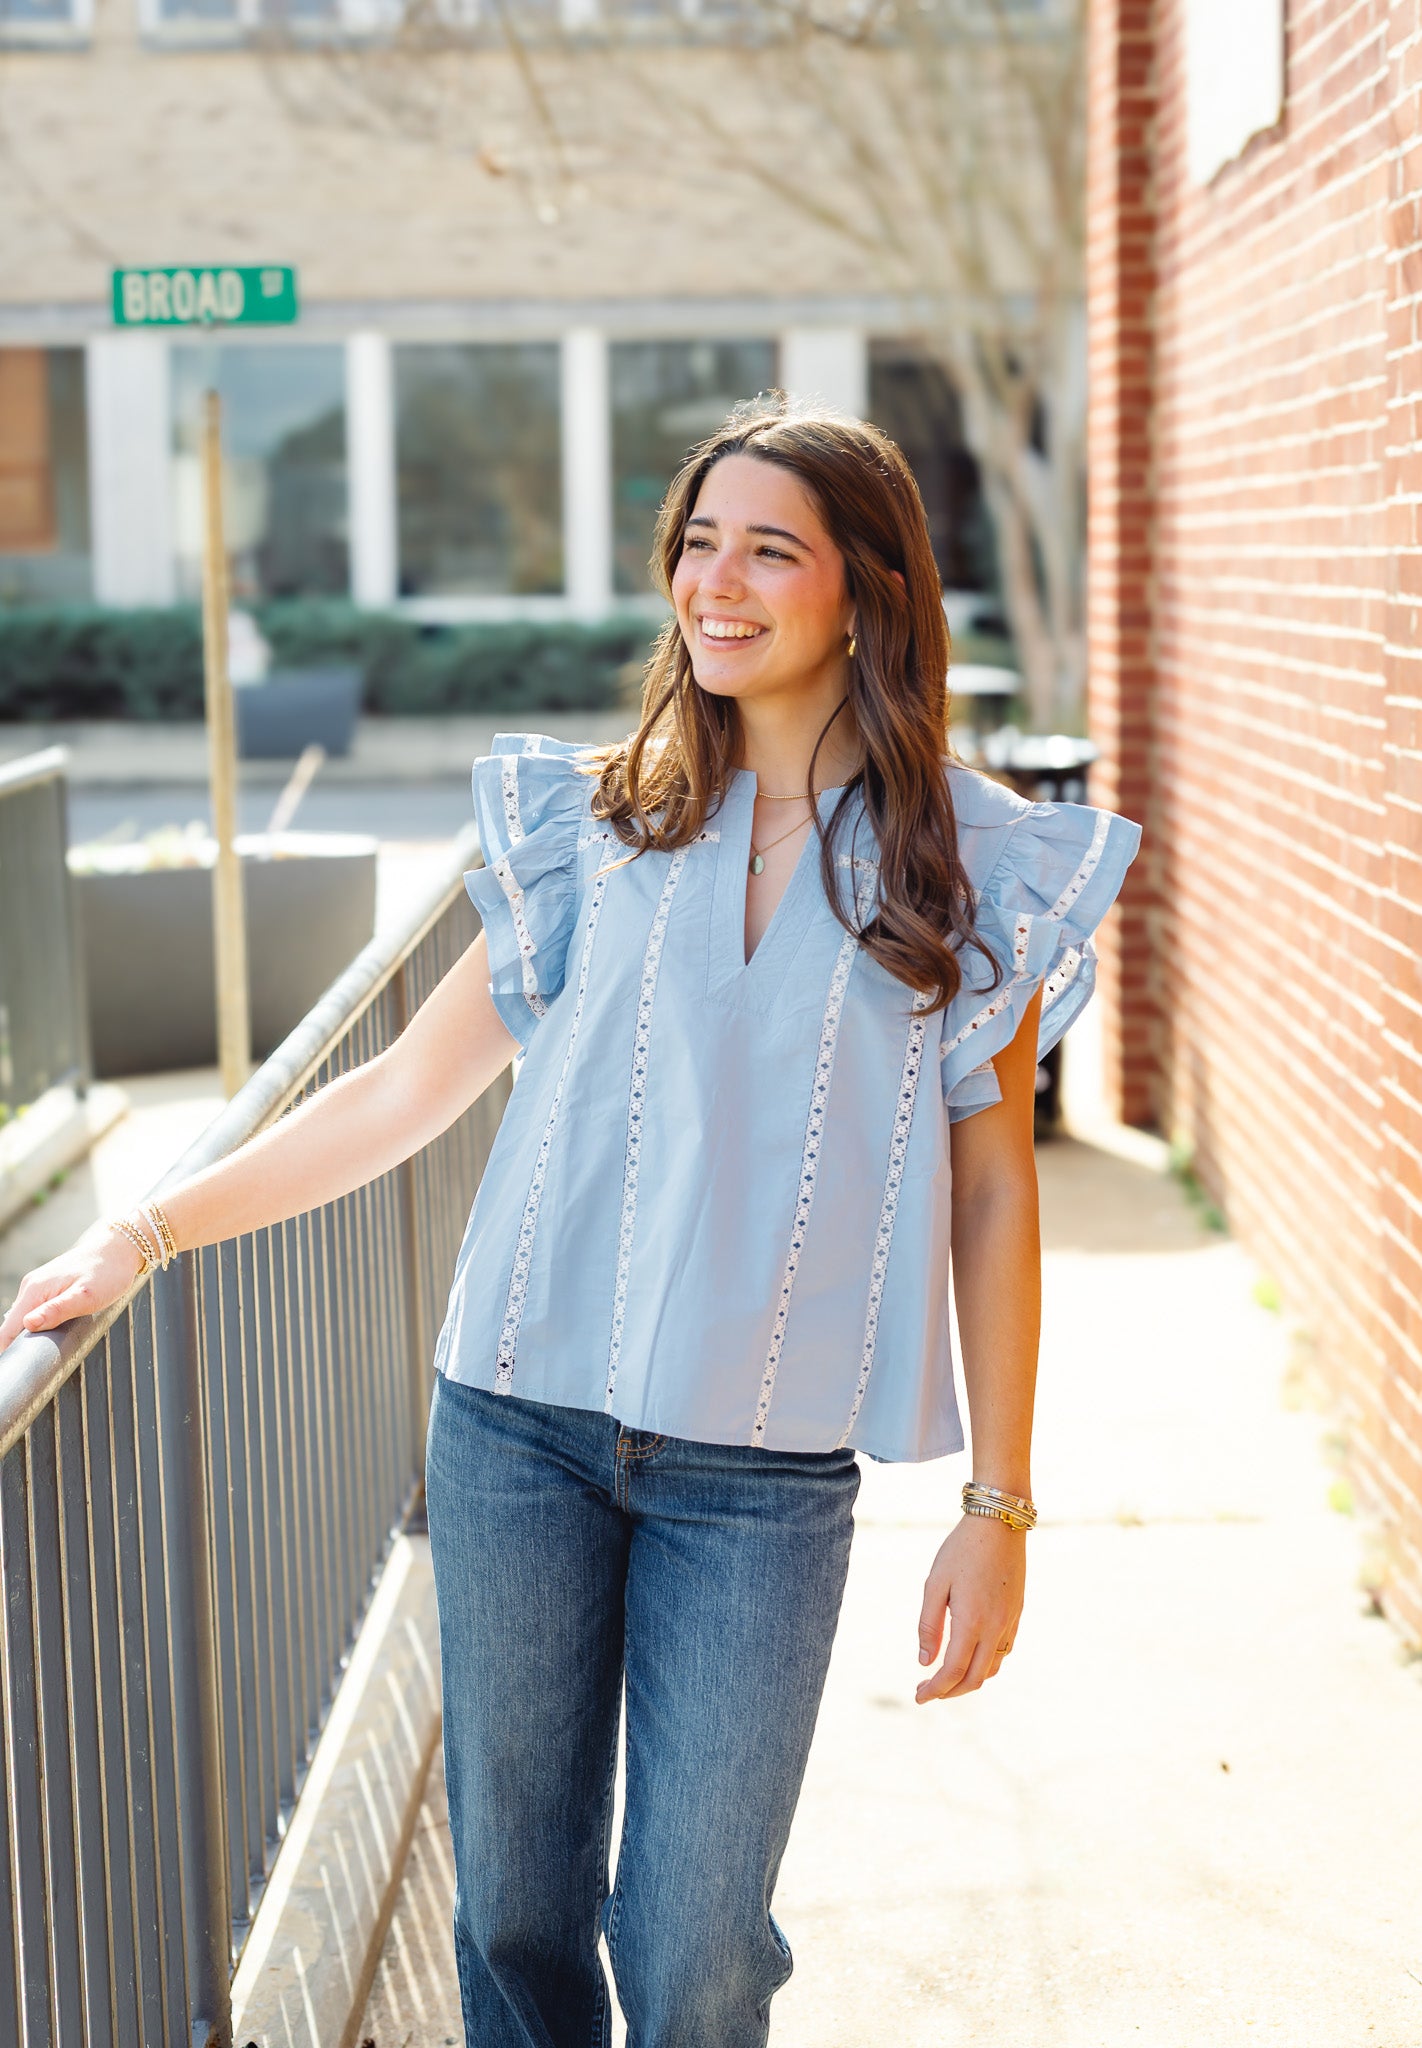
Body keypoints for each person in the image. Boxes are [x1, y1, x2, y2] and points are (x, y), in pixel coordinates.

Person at [0, 398, 1140, 2048]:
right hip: (516, 1433)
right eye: (695, 543)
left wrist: (999, 1505)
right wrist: (149, 1233)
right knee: (516, 1918)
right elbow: (401, 1096)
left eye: (769, 549)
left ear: (869, 589)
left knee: (691, 1947)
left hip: (758, 1478)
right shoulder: (598, 823)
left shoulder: (960, 867)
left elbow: (989, 1184)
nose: (715, 584)